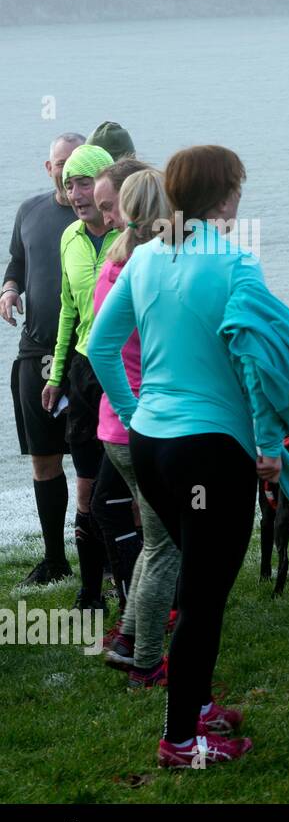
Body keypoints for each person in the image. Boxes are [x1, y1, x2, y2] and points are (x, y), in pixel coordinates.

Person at [89, 145, 289, 768]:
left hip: (152, 446)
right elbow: (258, 361)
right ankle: (181, 740)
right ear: (225, 197)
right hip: (211, 453)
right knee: (202, 599)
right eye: (238, 188)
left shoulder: (142, 259)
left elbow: (100, 347)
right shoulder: (235, 264)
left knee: (194, 581)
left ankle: (194, 709)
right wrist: (271, 448)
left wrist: (136, 410)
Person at [92, 166, 182, 688]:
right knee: (166, 546)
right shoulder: (147, 271)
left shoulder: (115, 262)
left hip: (117, 428)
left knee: (155, 540)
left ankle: (127, 639)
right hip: (139, 427)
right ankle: (147, 661)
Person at [3, 133, 84, 585]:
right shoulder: (29, 211)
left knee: (97, 460)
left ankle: (107, 557)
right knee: (44, 457)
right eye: (60, 163)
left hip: (84, 354)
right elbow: (17, 263)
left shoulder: (101, 215)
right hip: (35, 352)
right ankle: (55, 559)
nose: (67, 170)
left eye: (76, 164)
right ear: (47, 167)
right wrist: (9, 289)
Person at [43, 143, 119, 611]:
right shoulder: (70, 237)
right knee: (87, 485)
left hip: (127, 371)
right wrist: (56, 375)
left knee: (130, 487)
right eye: (68, 183)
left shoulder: (130, 237)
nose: (75, 192)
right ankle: (91, 593)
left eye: (84, 182)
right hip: (84, 370)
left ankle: (137, 589)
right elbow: (69, 310)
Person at [88, 158, 149, 624]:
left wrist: (130, 411)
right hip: (125, 409)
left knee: (153, 521)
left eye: (110, 207)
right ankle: (140, 612)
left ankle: (141, 622)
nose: (103, 215)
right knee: (121, 508)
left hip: (137, 411)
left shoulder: (131, 263)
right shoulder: (127, 256)